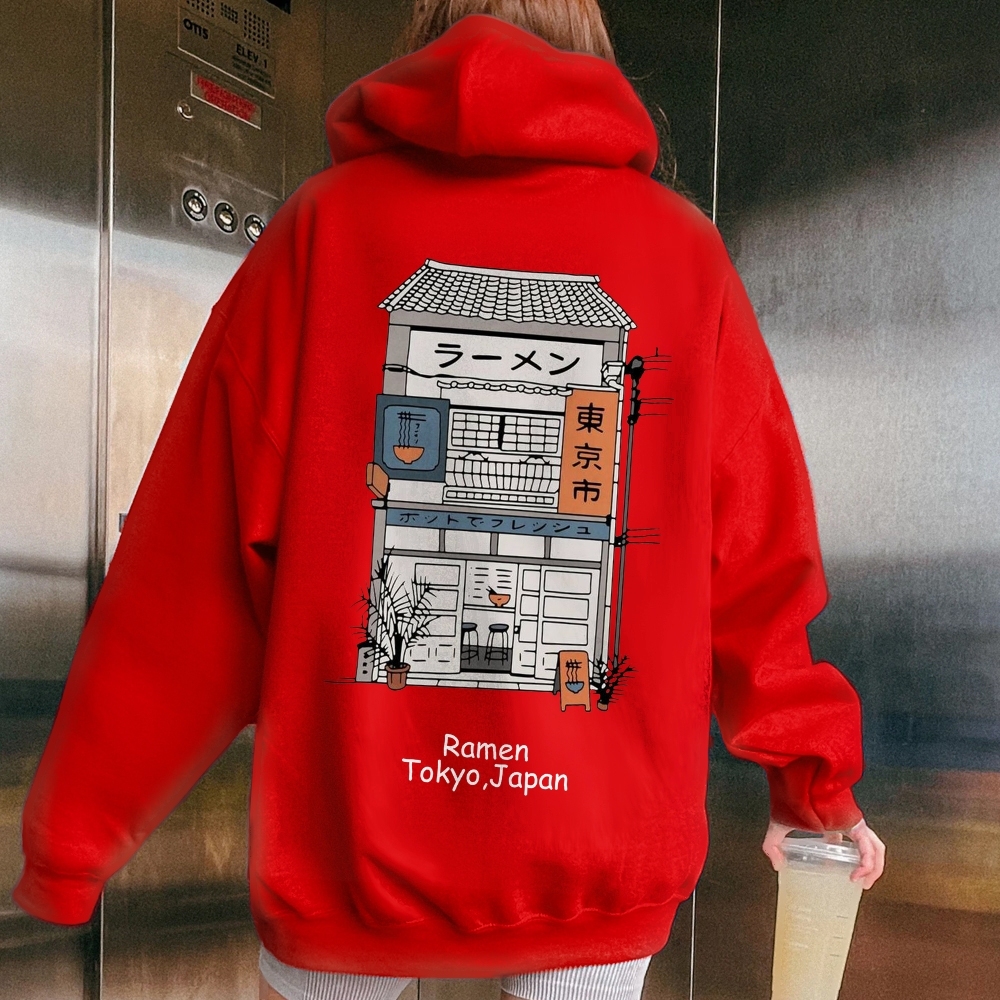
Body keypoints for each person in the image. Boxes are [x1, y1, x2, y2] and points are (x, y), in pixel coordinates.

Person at [13, 3, 885, 1000]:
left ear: (422, 36)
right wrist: (812, 788)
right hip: (596, 859)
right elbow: (759, 564)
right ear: (590, 46)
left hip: (347, 856)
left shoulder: (323, 230)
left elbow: (192, 565)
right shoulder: (683, 254)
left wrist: (74, 842)